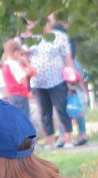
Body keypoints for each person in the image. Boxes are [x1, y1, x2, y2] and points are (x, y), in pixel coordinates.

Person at [26, 19, 75, 149]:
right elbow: (25, 56)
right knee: (44, 113)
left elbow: (67, 57)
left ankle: (68, 139)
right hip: (38, 82)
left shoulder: (59, 37)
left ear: (48, 24)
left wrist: (71, 76)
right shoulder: (32, 38)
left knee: (62, 109)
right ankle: (50, 142)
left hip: (57, 80)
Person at [1, 39, 35, 122]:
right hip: (20, 95)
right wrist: (26, 71)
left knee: (17, 118)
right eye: (20, 53)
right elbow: (22, 80)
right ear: (16, 53)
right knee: (25, 118)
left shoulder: (5, 64)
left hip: (12, 95)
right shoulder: (15, 64)